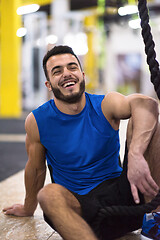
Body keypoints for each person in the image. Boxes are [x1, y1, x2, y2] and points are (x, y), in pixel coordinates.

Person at [3, 45, 160, 240]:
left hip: (126, 201)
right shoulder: (37, 121)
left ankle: (156, 217)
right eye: (57, 71)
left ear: (82, 74)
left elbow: (147, 103)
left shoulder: (105, 104)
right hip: (78, 214)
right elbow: (36, 169)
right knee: (48, 194)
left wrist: (136, 154)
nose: (67, 74)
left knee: (152, 126)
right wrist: (28, 207)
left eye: (72, 67)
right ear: (49, 84)